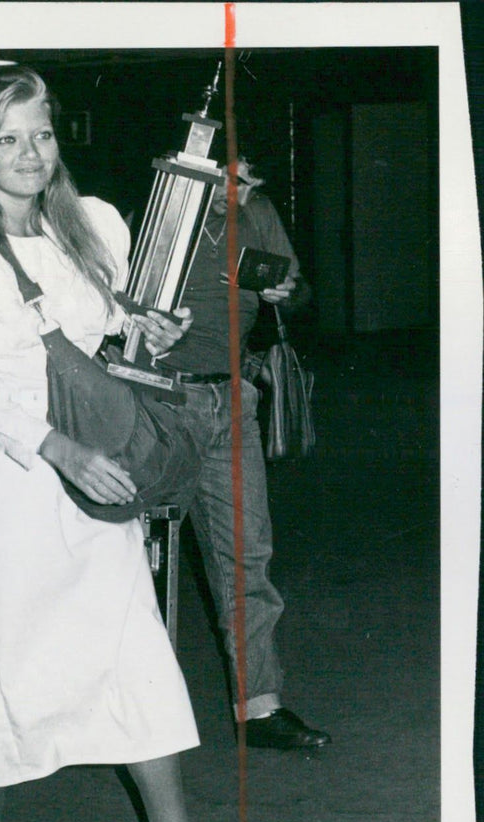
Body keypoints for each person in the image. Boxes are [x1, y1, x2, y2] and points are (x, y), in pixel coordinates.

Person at [0, 65, 274, 822]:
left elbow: (110, 335)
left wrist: (146, 331)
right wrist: (59, 449)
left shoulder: (91, 222)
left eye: (42, 133)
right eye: (7, 138)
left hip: (97, 466)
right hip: (13, 473)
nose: (31, 153)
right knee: (8, 664)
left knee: (133, 648)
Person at [143, 155, 332, 750]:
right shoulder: (162, 210)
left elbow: (301, 296)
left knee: (247, 556)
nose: (240, 192)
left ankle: (261, 708)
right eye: (229, 178)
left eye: (251, 180)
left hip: (232, 398)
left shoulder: (258, 212)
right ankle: (131, 705)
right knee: (134, 558)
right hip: (159, 401)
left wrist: (286, 290)